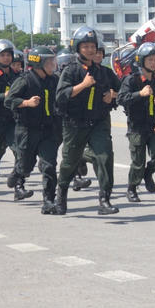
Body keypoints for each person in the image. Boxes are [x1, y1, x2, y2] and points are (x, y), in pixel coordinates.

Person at [54, 27, 120, 216]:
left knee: (104, 157)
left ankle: (104, 199)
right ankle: (61, 194)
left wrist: (112, 95)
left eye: (93, 46)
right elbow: (61, 96)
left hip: (99, 122)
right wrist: (83, 85)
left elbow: (123, 91)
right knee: (70, 161)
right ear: (78, 48)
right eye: (86, 46)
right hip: (75, 123)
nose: (90, 50)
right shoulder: (71, 70)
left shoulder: (104, 72)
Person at [5, 47, 59, 211]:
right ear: (39, 64)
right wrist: (26, 103)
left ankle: (48, 201)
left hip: (48, 130)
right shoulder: (24, 80)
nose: (53, 65)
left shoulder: (54, 80)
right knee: (26, 165)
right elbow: (9, 101)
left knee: (49, 165)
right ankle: (17, 172)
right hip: (27, 130)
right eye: (49, 62)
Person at [116, 43, 155, 202]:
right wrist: (140, 93)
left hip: (154, 126)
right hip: (137, 127)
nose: (153, 63)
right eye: (149, 60)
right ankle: (132, 188)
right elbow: (121, 99)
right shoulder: (132, 79)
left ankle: (148, 173)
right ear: (141, 60)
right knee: (138, 161)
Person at [53, 48, 92, 192]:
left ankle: (76, 178)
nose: (65, 65)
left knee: (71, 149)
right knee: (57, 151)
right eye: (62, 62)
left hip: (70, 118)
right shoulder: (55, 78)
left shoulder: (74, 76)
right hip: (54, 119)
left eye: (67, 62)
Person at [0, 39, 19, 182]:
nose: (6, 58)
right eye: (2, 55)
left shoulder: (17, 76)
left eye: (8, 55)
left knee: (20, 150)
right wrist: (4, 96)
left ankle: (18, 183)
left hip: (12, 120)